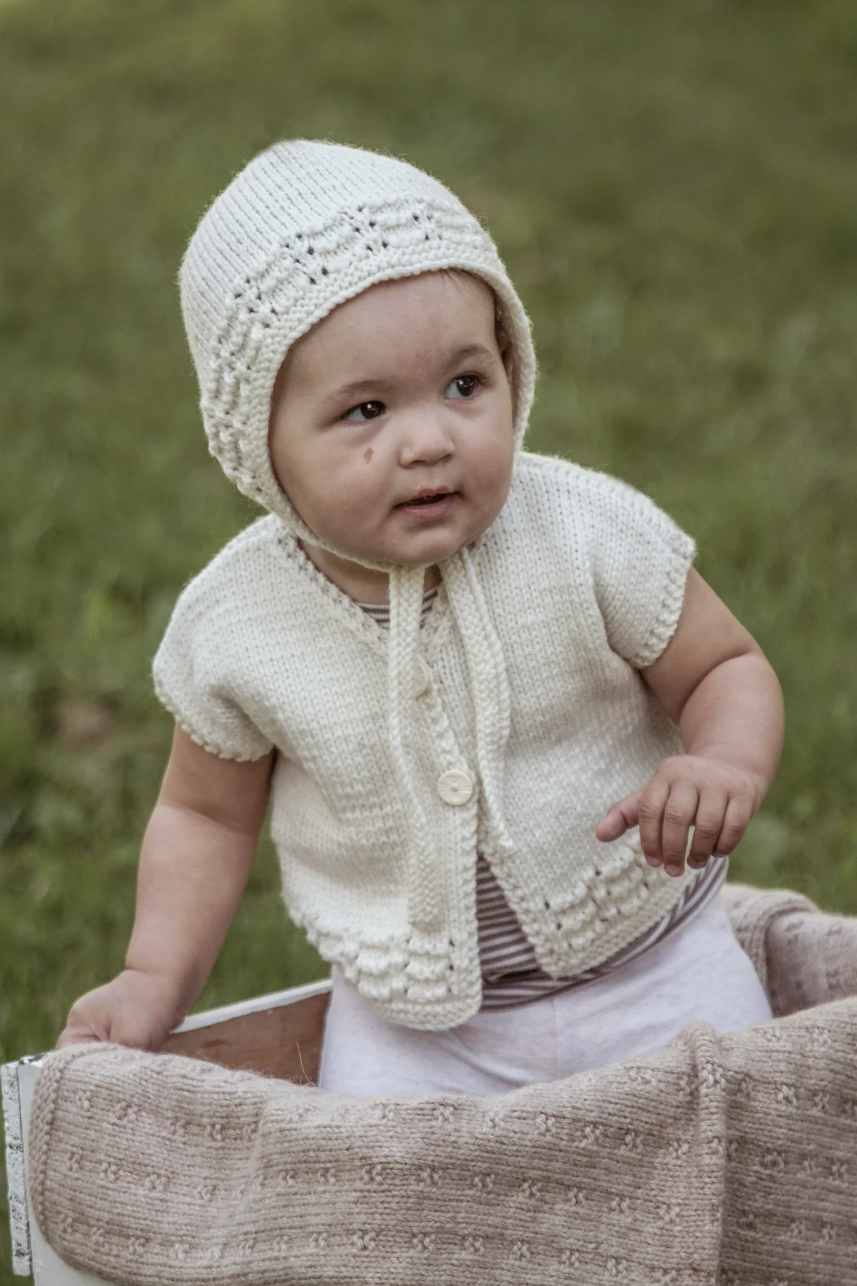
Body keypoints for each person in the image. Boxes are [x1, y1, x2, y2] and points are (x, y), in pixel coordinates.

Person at [58, 141, 783, 1095]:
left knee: (753, 1129)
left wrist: (722, 761)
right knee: (379, 1185)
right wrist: (154, 976)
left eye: (464, 385)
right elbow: (203, 816)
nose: (429, 439)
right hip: (420, 1033)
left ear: (511, 368)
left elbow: (722, 664)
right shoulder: (239, 628)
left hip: (654, 967)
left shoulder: (581, 531)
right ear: (259, 446)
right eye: (366, 409)